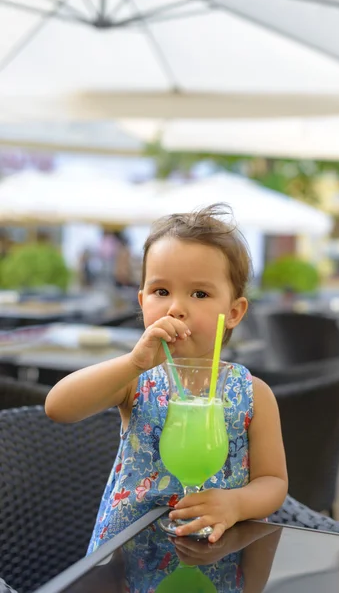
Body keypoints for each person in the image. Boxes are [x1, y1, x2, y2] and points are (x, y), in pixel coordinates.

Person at [45, 204, 288, 552]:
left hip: (217, 551)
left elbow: (273, 481)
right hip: (127, 554)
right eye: (161, 292)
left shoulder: (253, 394)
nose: (176, 307)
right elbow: (58, 407)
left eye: (199, 294)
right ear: (142, 301)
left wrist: (236, 504)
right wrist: (133, 363)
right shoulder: (135, 380)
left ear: (233, 312)